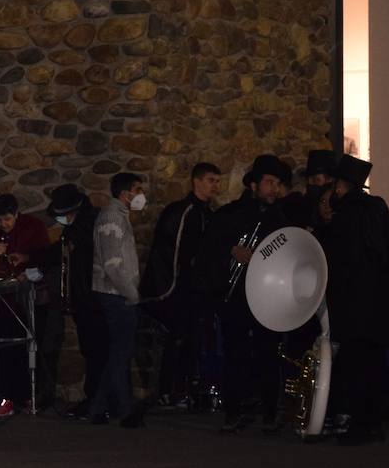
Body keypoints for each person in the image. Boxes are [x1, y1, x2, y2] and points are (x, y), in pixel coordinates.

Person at [195, 154, 292, 433]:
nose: (274, 189)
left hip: (268, 299)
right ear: (253, 185)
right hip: (235, 297)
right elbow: (207, 251)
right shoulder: (228, 216)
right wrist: (230, 249)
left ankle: (270, 412)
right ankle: (234, 411)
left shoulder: (281, 220)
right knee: (235, 354)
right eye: (269, 182)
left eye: (277, 184)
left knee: (269, 354)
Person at [319, 155, 389, 444]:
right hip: (378, 302)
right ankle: (374, 423)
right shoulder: (379, 211)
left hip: (354, 304)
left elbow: (338, 261)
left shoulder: (345, 217)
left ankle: (358, 427)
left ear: (340, 188)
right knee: (374, 364)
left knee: (355, 366)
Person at [141, 162, 220, 407]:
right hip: (180, 290)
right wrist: (168, 289)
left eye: (217, 181)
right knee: (178, 338)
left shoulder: (208, 214)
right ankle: (170, 390)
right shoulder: (183, 211)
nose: (215, 186)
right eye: (210, 180)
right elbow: (169, 252)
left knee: (194, 340)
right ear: (196, 181)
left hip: (199, 291)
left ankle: (188, 388)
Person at [0, 193, 49, 416]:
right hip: (1, 303)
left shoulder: (33, 227)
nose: (4, 225)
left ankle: (29, 395)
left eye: (7, 219)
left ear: (16, 214)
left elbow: (45, 257)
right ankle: (6, 397)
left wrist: (26, 264)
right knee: (4, 351)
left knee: (30, 350)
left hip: (30, 300)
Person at [89, 173, 147, 427]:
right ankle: (124, 410)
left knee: (118, 353)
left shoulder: (118, 217)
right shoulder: (113, 218)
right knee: (121, 353)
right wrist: (132, 294)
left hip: (117, 293)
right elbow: (113, 265)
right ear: (126, 194)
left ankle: (98, 407)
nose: (141, 195)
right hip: (116, 295)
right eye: (138, 189)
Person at [47, 183, 105, 417]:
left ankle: (98, 401)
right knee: (92, 350)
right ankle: (96, 399)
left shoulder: (85, 228)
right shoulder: (79, 227)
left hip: (92, 298)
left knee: (96, 350)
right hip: (86, 297)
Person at [280, 149, 337, 231]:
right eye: (308, 180)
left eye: (315, 180)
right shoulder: (303, 205)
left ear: (329, 180)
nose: (310, 184)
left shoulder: (341, 211)